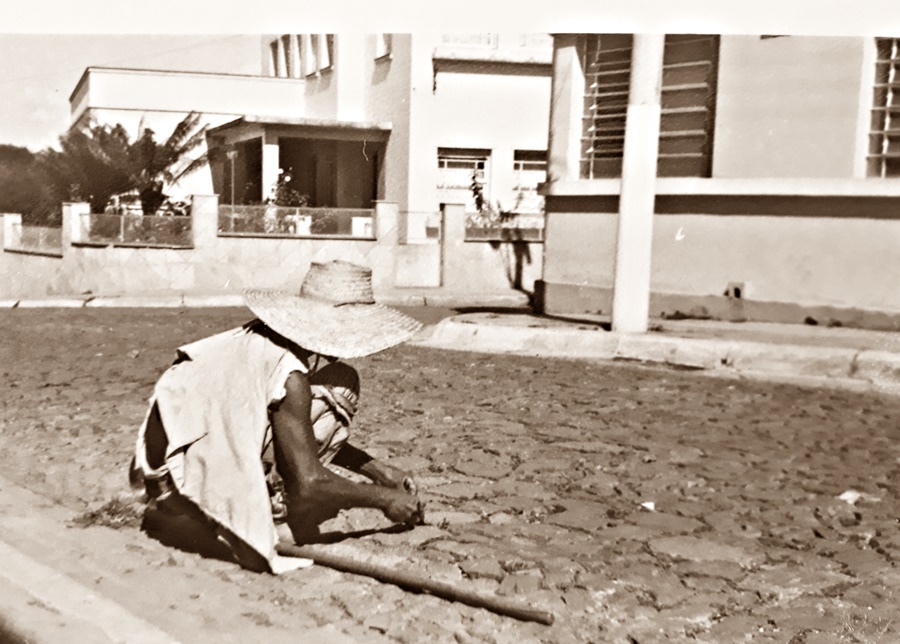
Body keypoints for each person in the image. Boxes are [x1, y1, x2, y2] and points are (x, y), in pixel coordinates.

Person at [129, 260, 426, 573]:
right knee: (343, 383)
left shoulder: (254, 339)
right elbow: (309, 481)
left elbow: (292, 432)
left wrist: (380, 472)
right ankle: (272, 512)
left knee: (329, 381)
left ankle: (258, 500)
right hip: (184, 497)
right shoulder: (290, 376)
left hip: (155, 479)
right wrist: (385, 500)